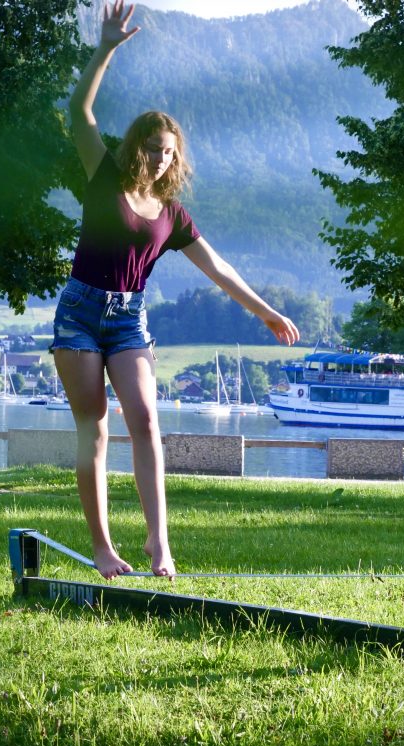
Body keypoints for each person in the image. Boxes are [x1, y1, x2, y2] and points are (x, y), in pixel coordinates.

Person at [51, 0, 300, 581]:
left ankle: (159, 546)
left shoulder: (171, 215)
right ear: (137, 145)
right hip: (81, 313)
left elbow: (217, 268)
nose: (161, 160)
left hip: (129, 319)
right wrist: (106, 47)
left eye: (170, 152)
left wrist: (264, 311)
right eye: (154, 148)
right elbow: (77, 110)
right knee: (95, 425)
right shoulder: (103, 175)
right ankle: (103, 548)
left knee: (146, 421)